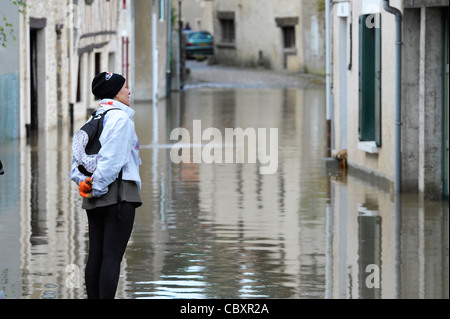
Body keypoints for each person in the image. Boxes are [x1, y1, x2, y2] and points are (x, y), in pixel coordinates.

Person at [70, 72, 142, 299]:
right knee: (112, 257)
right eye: (125, 87)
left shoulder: (92, 121)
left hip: (93, 194)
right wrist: (99, 187)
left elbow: (76, 163)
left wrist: (87, 186)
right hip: (119, 194)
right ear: (115, 93)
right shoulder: (121, 120)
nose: (129, 91)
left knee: (96, 255)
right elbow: (112, 161)